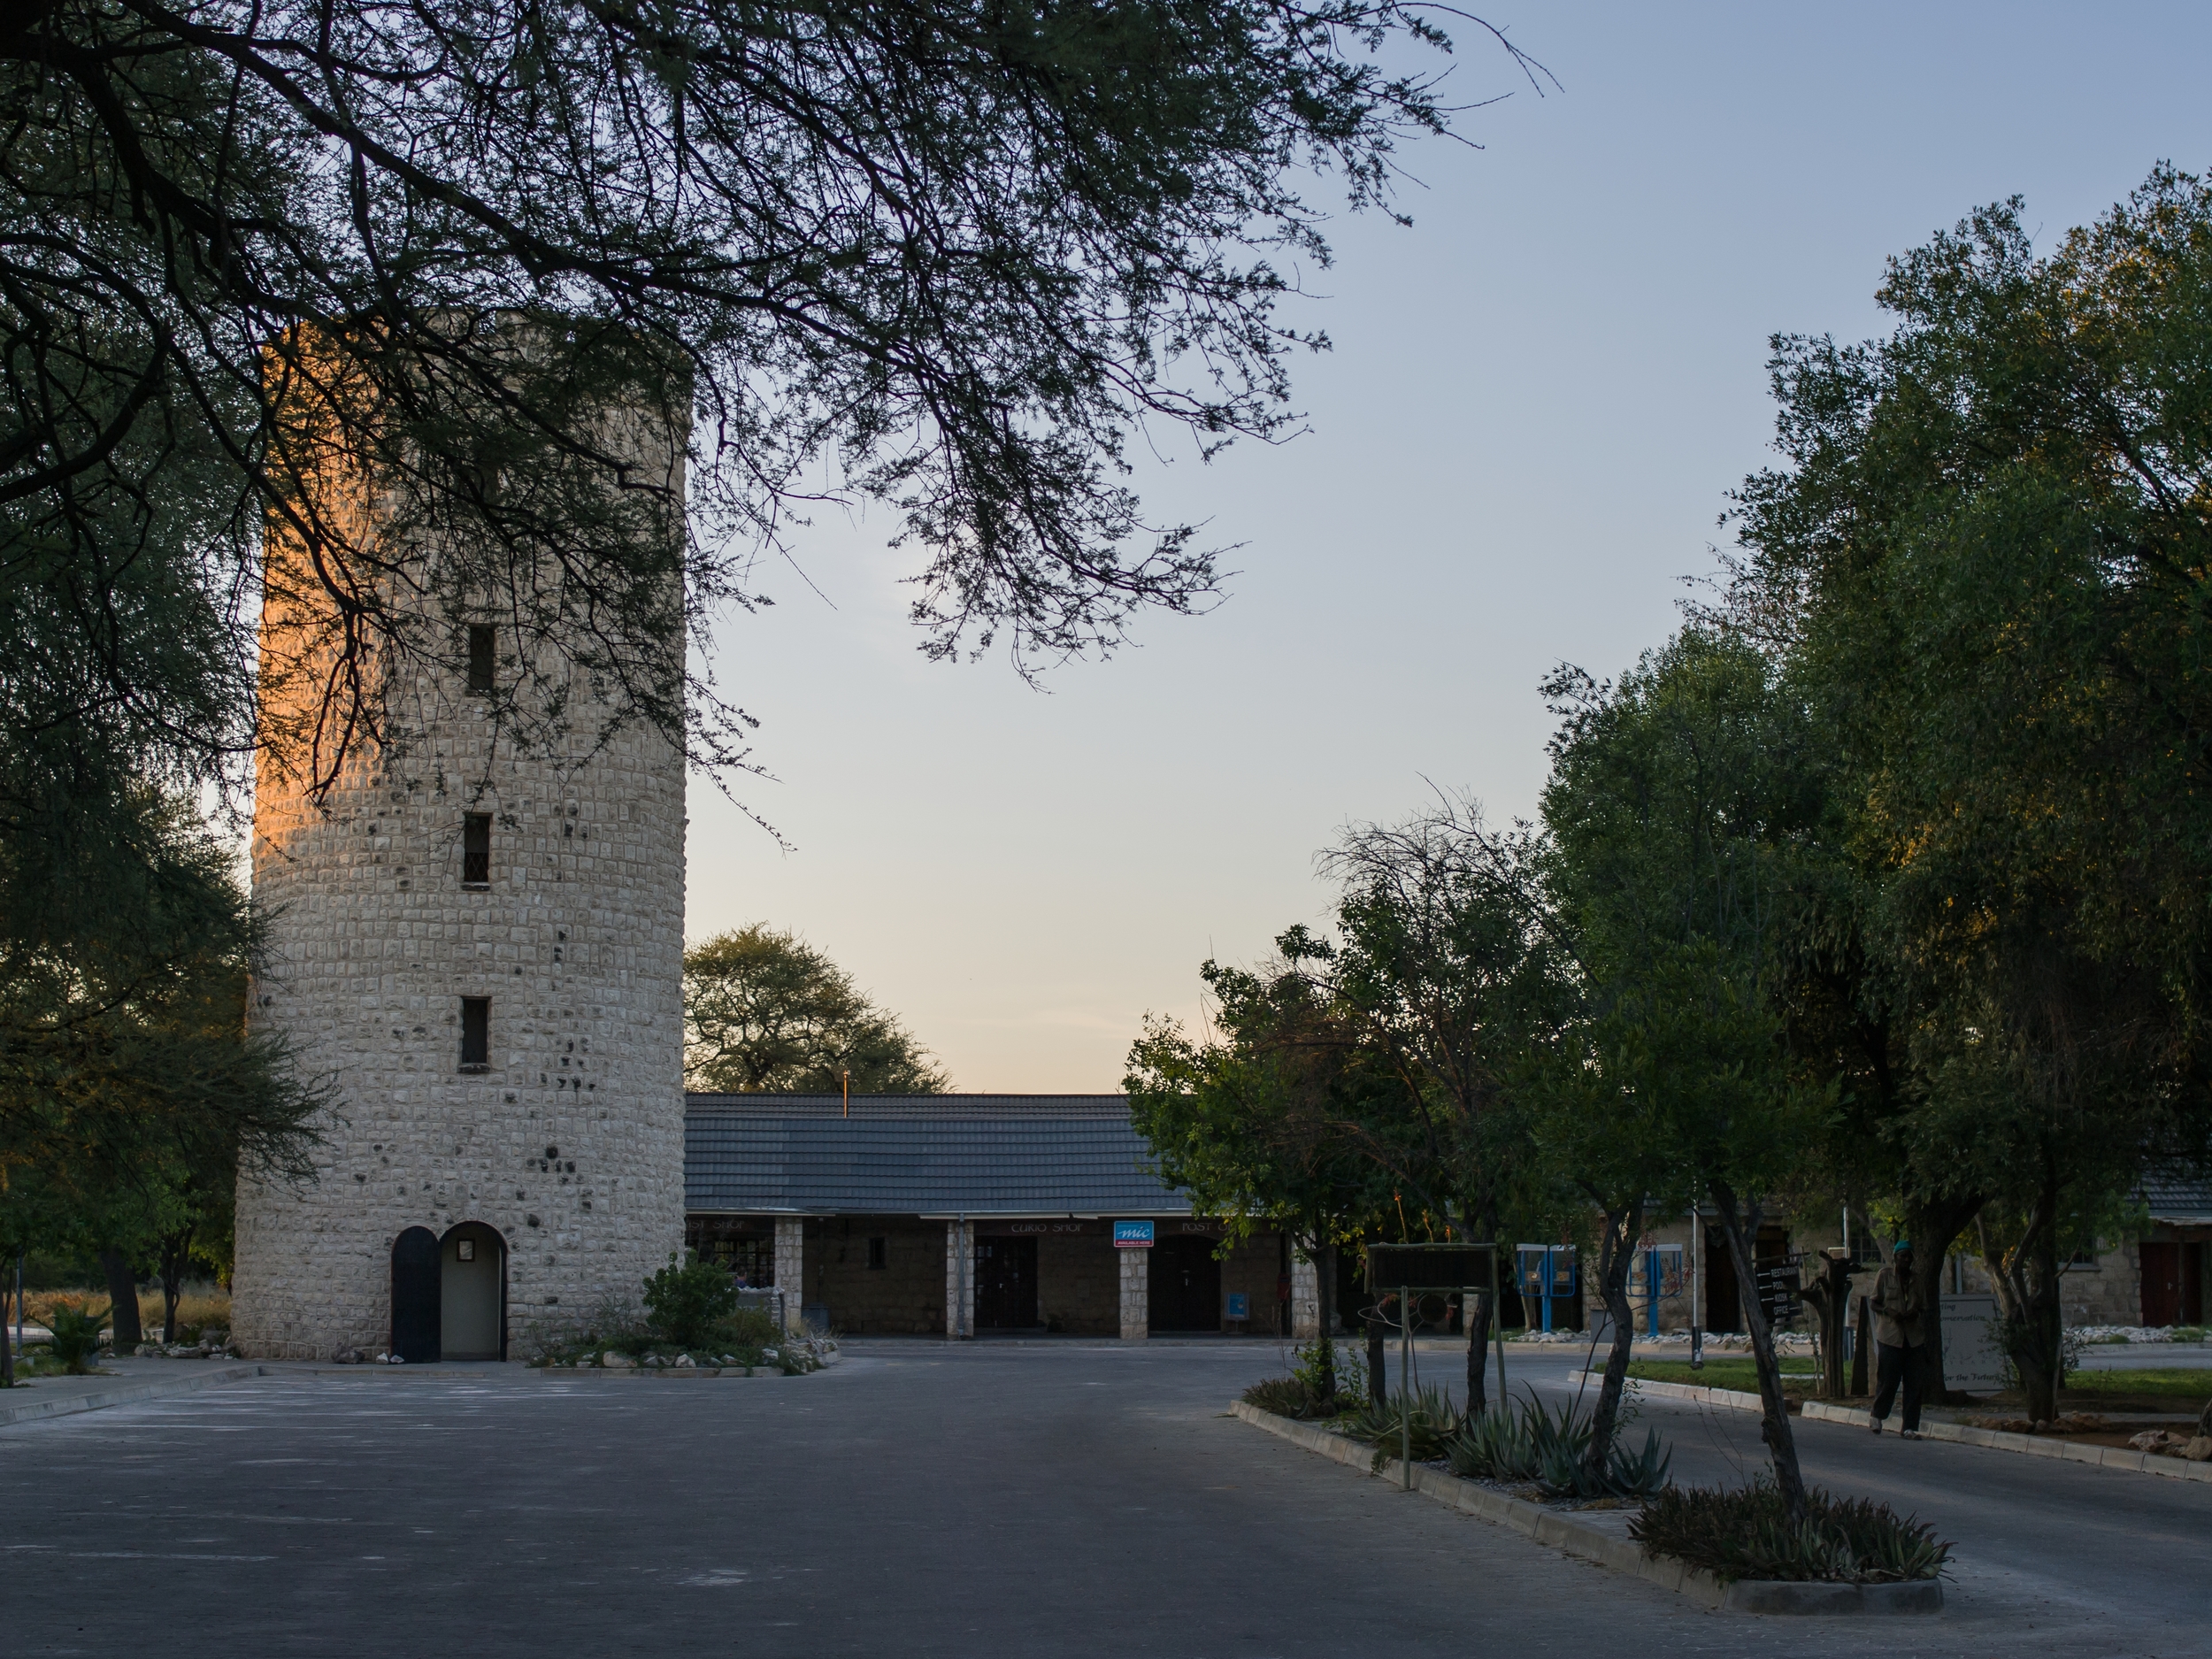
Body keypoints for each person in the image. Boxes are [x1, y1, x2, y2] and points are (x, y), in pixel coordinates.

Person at [1867, 1240, 1927, 1439]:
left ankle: (1909, 1426)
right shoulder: (1885, 1276)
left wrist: (1913, 1313)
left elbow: (1923, 1306)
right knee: (1888, 1379)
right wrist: (1888, 1311)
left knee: (1914, 1383)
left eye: (1909, 1256)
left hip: (1913, 1338)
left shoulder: (1917, 1280)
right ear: (1895, 1258)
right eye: (1902, 1256)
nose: (1906, 1260)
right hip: (1890, 1336)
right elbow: (1874, 1302)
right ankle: (1878, 1415)